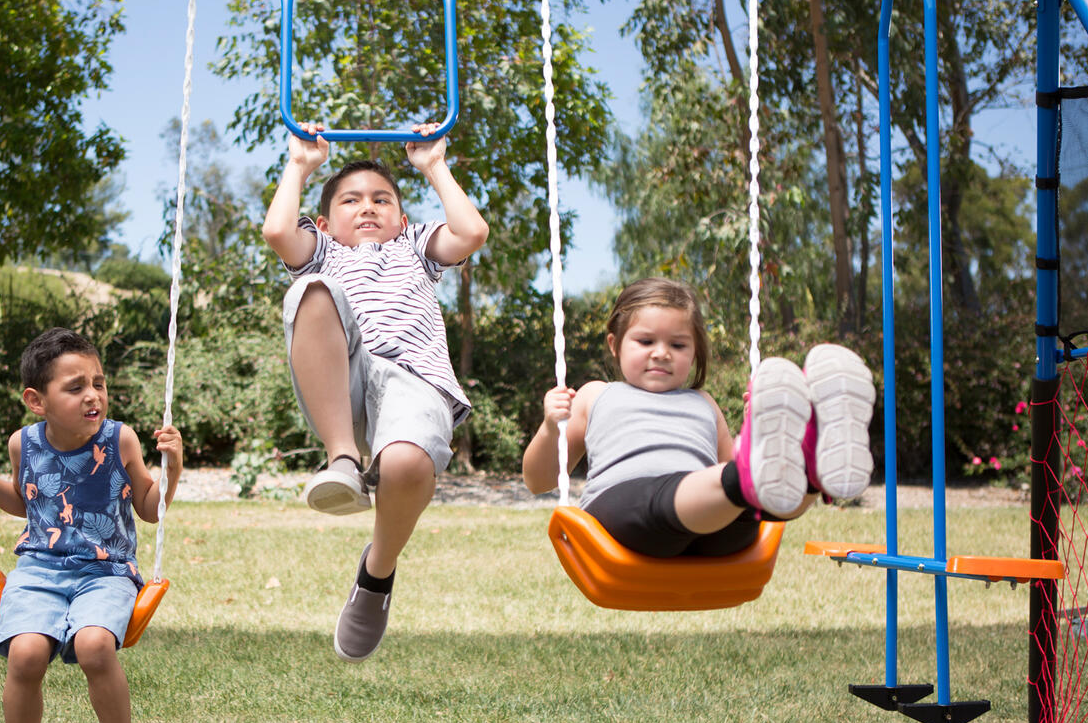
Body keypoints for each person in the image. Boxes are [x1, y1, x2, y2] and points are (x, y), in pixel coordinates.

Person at [262, 120, 489, 661]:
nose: (368, 207)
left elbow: (472, 232)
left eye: (382, 199)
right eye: (351, 200)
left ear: (402, 218)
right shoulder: (322, 252)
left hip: (415, 382)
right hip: (347, 386)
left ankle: (376, 574)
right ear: (323, 221)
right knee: (311, 292)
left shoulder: (416, 246)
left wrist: (433, 165)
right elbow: (276, 232)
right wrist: (299, 164)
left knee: (409, 465)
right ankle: (341, 457)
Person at [0, 327, 183, 723]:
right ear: (37, 400)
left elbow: (151, 510)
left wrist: (173, 466)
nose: (93, 395)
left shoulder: (119, 439)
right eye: (76, 386)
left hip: (105, 571)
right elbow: (27, 500)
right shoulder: (24, 442)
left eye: (99, 383)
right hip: (39, 569)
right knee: (24, 656)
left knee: (93, 646)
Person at [521, 278, 874, 556]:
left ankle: (810, 465)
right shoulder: (596, 394)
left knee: (756, 495)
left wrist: (759, 437)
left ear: (694, 352)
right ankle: (784, 468)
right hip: (624, 519)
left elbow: (730, 466)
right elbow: (538, 481)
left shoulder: (703, 402)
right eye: (645, 341)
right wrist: (552, 428)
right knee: (731, 484)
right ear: (615, 344)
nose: (661, 353)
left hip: (714, 531)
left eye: (678, 345)